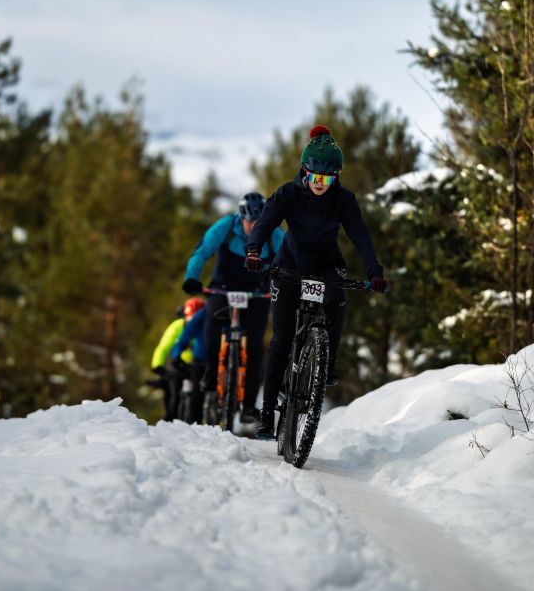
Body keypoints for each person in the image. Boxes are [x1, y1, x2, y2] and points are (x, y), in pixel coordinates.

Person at [244, 125, 390, 440]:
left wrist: (374, 271)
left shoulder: (344, 200)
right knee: (281, 340)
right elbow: (265, 223)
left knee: (338, 301)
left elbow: (360, 237)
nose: (320, 185)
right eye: (315, 178)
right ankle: (268, 415)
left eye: (328, 179)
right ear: (304, 172)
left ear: (336, 177)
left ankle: (326, 363)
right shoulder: (287, 193)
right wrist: (254, 250)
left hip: (326, 266)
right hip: (290, 267)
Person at [181, 193, 285, 423]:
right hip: (224, 289)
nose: (253, 227)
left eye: (259, 222)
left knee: (256, 346)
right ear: (241, 218)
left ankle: (248, 405)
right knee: (212, 326)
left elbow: (290, 259)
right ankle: (211, 369)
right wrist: (192, 277)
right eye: (249, 222)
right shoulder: (226, 226)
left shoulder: (274, 233)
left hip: (258, 292)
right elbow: (202, 251)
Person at [150, 298, 207, 421]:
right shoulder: (177, 326)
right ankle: (169, 419)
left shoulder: (205, 327)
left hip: (196, 365)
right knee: (173, 393)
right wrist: (157, 364)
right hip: (177, 365)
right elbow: (164, 345)